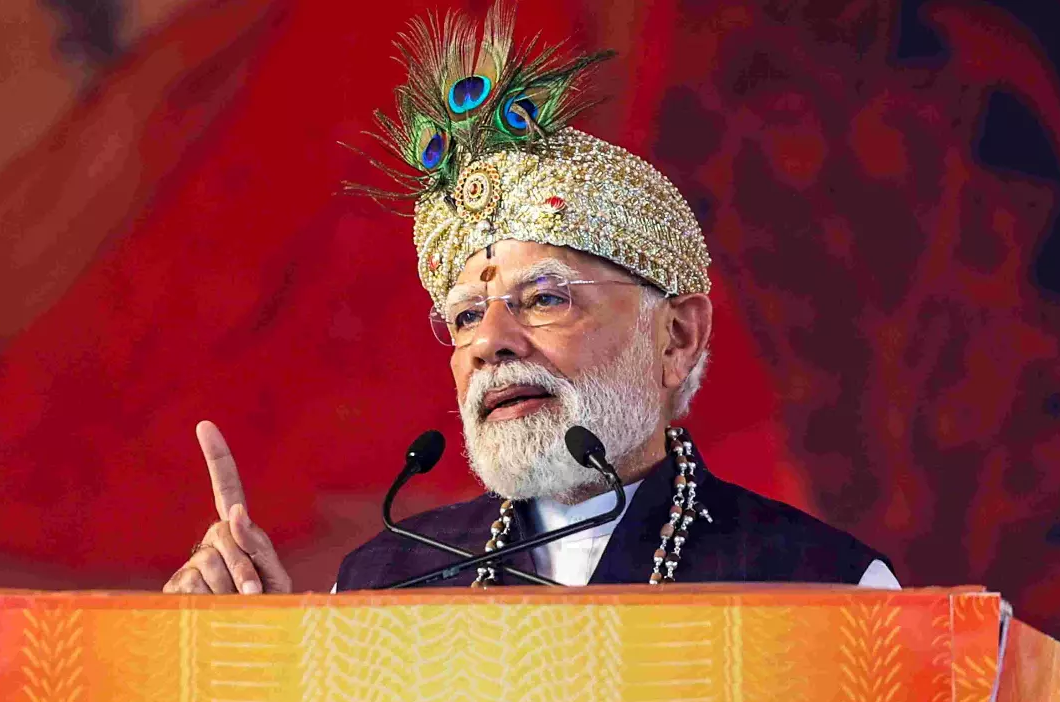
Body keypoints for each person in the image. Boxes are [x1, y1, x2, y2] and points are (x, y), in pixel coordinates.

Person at [163, 3, 898, 597]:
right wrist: (255, 663)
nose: (490, 343)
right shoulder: (384, 584)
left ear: (675, 337)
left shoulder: (825, 590)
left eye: (544, 299)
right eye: (465, 316)